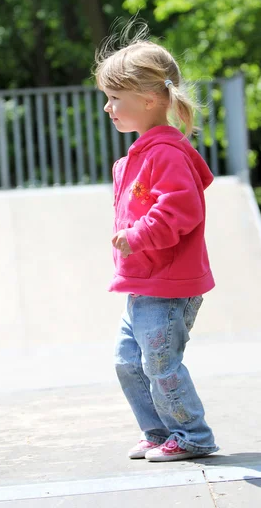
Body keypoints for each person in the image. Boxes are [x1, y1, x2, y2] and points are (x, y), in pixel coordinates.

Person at [94, 28, 219, 462]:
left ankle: (192, 436)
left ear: (149, 99)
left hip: (167, 286)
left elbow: (180, 211)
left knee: (160, 367)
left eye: (114, 97)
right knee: (128, 363)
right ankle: (159, 430)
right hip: (143, 285)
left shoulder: (166, 153)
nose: (108, 107)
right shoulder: (136, 157)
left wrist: (137, 236)